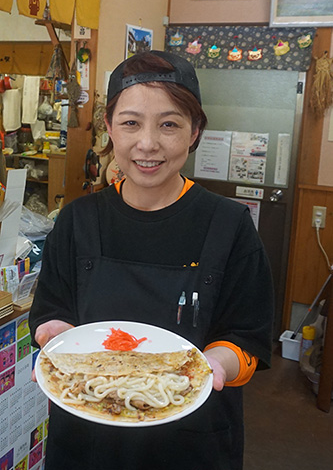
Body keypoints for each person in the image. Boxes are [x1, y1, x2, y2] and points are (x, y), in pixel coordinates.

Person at [29, 50, 274, 470]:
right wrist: (53, 330)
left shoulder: (229, 224)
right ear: (108, 127)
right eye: (130, 123)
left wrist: (213, 364)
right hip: (86, 435)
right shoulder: (78, 220)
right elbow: (52, 309)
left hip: (191, 439)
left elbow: (247, 338)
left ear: (194, 131)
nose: (147, 143)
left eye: (169, 124)